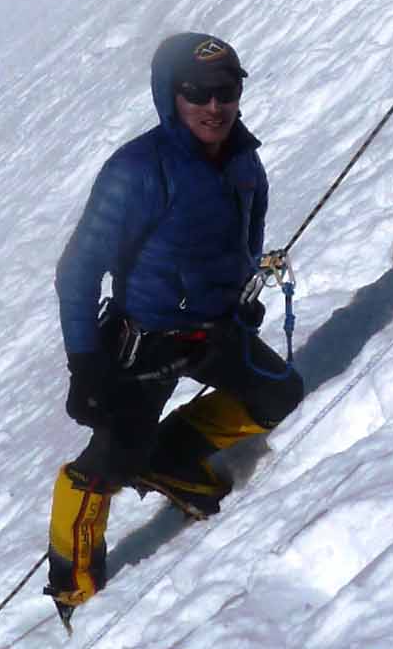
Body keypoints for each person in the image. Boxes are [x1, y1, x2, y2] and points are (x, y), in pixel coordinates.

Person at [45, 32, 305, 616]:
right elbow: (77, 271)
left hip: (212, 327)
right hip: (145, 340)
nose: (215, 106)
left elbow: (245, 238)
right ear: (170, 96)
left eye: (227, 90)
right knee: (107, 463)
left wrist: (236, 297)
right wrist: (85, 363)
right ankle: (73, 586)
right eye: (198, 93)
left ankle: (172, 458)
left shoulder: (243, 161)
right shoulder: (135, 171)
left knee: (277, 392)